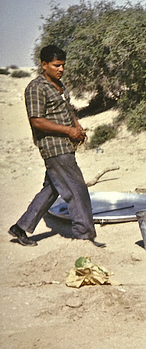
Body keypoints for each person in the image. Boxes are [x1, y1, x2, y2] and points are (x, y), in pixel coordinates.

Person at [8, 45, 105, 248]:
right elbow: (37, 121)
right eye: (56, 65)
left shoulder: (58, 86)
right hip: (53, 147)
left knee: (52, 189)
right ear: (44, 65)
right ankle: (84, 235)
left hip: (65, 144)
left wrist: (77, 127)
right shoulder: (36, 88)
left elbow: (66, 109)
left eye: (63, 65)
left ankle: (21, 227)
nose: (60, 69)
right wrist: (68, 131)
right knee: (76, 189)